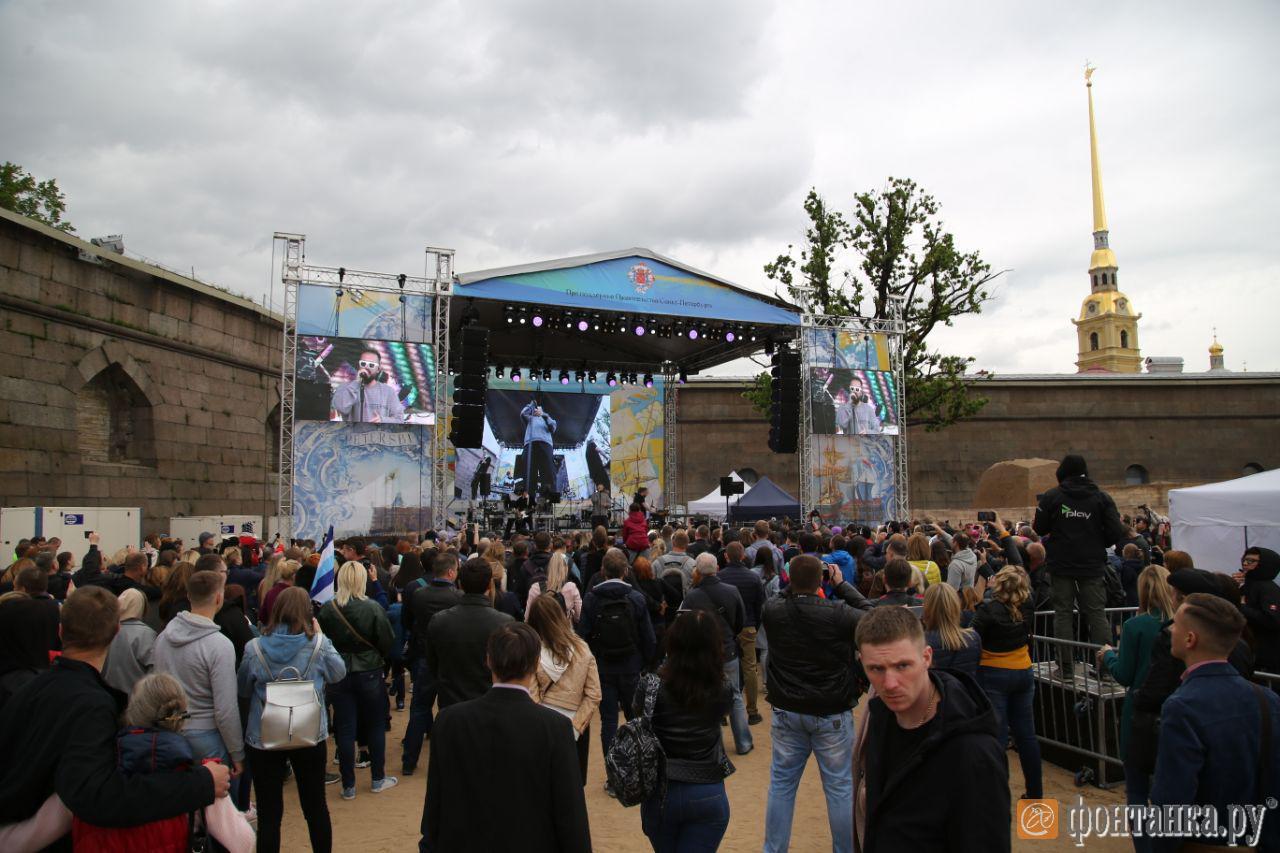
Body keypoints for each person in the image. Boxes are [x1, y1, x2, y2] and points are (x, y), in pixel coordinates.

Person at [0, 587, 227, 850]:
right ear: (116, 631)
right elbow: (98, 795)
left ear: (61, 632)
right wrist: (201, 783)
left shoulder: (30, 689)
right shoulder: (90, 705)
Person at [420, 622, 591, 853]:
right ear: (535, 663)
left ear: (489, 660)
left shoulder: (449, 722)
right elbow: (571, 815)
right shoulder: (555, 728)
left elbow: (435, 806)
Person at [853, 605, 1010, 853]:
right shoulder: (880, 718)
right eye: (876, 669)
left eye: (902, 666)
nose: (890, 683)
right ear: (862, 663)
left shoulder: (974, 752)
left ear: (926, 658)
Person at [1150, 593, 1280, 851]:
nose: (1170, 629)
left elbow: (1172, 800)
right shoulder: (1269, 699)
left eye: (1175, 623)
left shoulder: (1183, 706)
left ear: (1190, 639)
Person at [762, 554, 871, 853]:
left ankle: (774, 849)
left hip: (789, 708)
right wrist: (842, 585)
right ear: (822, 580)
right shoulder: (838, 613)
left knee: (782, 786)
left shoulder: (774, 609)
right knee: (839, 789)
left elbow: (781, 596)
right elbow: (871, 617)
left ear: (788, 580)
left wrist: (793, 582)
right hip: (830, 710)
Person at [239, 587, 346, 853]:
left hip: (264, 734)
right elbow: (338, 673)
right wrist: (322, 637)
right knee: (315, 807)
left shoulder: (254, 648)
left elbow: (242, 688)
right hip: (308, 732)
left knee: (269, 812)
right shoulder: (318, 645)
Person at [641, 609, 736, 852]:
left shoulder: (651, 686)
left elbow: (638, 717)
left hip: (662, 791)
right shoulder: (723, 689)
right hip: (707, 788)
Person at [1097, 564, 1174, 853]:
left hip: (1141, 710)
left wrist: (1109, 656)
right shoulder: (1182, 622)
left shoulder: (1135, 626)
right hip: (1175, 707)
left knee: (1139, 790)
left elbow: (1125, 674)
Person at [1033, 453, 1125, 676]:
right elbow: (1116, 532)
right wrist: (1095, 542)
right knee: (1096, 613)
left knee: (1063, 613)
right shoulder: (1101, 498)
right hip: (1092, 564)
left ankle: (1064, 667)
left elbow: (1039, 528)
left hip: (1061, 564)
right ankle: (1105, 668)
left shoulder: (1052, 497)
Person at [153, 568, 245, 776]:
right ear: (219, 598)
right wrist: (237, 752)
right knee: (216, 805)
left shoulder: (162, 639)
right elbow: (225, 708)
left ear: (189, 595)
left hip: (171, 731)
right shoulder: (219, 645)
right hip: (207, 735)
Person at [317, 560, 397, 799]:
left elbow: (323, 641)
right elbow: (386, 639)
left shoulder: (328, 609)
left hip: (339, 672)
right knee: (374, 724)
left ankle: (348, 785)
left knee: (344, 726)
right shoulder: (371, 608)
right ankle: (377, 777)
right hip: (369, 670)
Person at [578, 547, 655, 780]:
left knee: (609, 722)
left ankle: (614, 776)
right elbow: (649, 638)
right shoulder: (636, 598)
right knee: (635, 720)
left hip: (604, 667)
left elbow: (583, 636)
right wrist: (645, 663)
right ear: (625, 570)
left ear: (602, 571)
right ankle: (638, 771)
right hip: (631, 666)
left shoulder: (591, 599)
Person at [971, 566, 1042, 800]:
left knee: (998, 736)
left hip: (994, 673)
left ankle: (996, 795)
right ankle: (1035, 792)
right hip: (1023, 670)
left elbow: (974, 638)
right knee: (1026, 735)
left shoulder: (989, 610)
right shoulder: (1027, 605)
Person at [681, 552, 752, 756]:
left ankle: (714, 746)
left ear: (697, 571)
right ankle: (743, 742)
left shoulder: (692, 596)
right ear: (717, 568)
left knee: (706, 697)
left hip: (703, 652)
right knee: (735, 696)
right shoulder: (731, 591)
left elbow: (686, 625)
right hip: (727, 649)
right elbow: (741, 619)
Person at [527, 594, 602, 786]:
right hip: (575, 723)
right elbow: (594, 694)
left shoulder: (532, 652)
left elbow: (531, 694)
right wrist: (576, 727)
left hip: (541, 725)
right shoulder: (583, 649)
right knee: (571, 789)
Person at [400, 551, 462, 775]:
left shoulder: (418, 594)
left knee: (419, 708)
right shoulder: (457, 597)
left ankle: (409, 760)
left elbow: (407, 621)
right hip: (448, 659)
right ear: (451, 571)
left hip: (425, 656)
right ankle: (446, 761)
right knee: (447, 711)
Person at [427, 557, 514, 709]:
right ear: (489, 585)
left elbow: (433, 664)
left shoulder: (439, 621)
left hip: (452, 703)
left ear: (460, 583)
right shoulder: (504, 623)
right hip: (489, 705)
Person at [719, 540, 767, 726]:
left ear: (726, 556)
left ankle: (722, 712)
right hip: (748, 626)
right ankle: (752, 711)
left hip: (726, 628)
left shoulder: (720, 577)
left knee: (723, 668)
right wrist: (754, 624)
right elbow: (759, 606)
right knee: (749, 668)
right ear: (743, 556)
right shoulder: (753, 578)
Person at [101, 586, 157, 695]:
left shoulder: (105, 631)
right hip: (136, 698)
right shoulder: (146, 634)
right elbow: (153, 670)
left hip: (109, 696)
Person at [1236, 547, 1280, 674]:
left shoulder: (1268, 588)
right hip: (1249, 651)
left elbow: (1272, 619)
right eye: (1244, 559)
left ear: (1264, 564)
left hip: (1265, 656)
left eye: (1251, 561)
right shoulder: (1247, 585)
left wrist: (1242, 607)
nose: (1245, 564)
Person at [331, 348, 406, 423]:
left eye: (371, 365)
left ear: (378, 369)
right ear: (359, 365)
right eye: (363, 364)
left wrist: (383, 420)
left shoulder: (388, 392)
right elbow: (341, 409)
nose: (366, 367)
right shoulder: (344, 388)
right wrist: (357, 382)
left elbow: (399, 419)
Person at [922, 582, 981, 677]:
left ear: (926, 608)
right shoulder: (973, 639)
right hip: (962, 691)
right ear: (956, 606)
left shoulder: (920, 642)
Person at [527, 550, 583, 624]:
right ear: (566, 569)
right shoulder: (571, 587)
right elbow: (579, 617)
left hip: (541, 632)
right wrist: (570, 612)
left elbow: (527, 618)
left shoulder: (535, 587)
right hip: (563, 631)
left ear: (548, 567)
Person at [521, 398, 558, 499]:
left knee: (548, 474)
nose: (537, 410)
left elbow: (553, 428)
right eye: (536, 409)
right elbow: (522, 413)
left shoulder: (548, 418)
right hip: (530, 444)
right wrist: (531, 404)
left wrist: (544, 415)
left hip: (545, 444)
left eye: (539, 409)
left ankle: (550, 503)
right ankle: (528, 504)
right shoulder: (530, 418)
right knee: (529, 475)